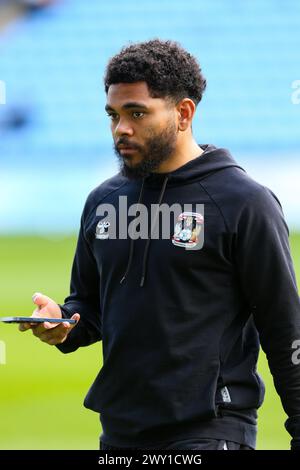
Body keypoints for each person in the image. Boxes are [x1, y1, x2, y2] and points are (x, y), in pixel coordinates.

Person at [19, 39, 300, 451]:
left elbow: (285, 328)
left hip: (210, 430)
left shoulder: (243, 203)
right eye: (113, 115)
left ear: (183, 113)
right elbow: (89, 307)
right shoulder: (103, 201)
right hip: (119, 433)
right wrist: (63, 323)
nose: (121, 129)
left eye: (137, 113)